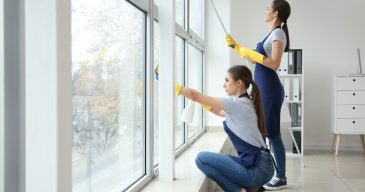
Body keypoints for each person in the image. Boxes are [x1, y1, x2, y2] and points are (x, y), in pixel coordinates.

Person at [225, 0, 291, 190]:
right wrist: (237, 48)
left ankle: (280, 176)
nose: (265, 11)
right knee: (264, 130)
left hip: (269, 88)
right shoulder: (271, 34)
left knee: (272, 132)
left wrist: (250, 53)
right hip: (262, 89)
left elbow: (275, 63)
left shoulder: (278, 33)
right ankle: (265, 172)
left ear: (276, 13)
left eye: (268, 9)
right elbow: (256, 62)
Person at [175, 65, 274, 192]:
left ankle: (239, 191)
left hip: (257, 171)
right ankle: (253, 189)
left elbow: (194, 95)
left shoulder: (235, 104)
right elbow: (220, 112)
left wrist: (174, 86)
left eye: (227, 80)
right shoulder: (245, 103)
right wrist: (203, 103)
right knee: (222, 159)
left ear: (239, 83)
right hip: (264, 167)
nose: (224, 84)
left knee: (201, 158)